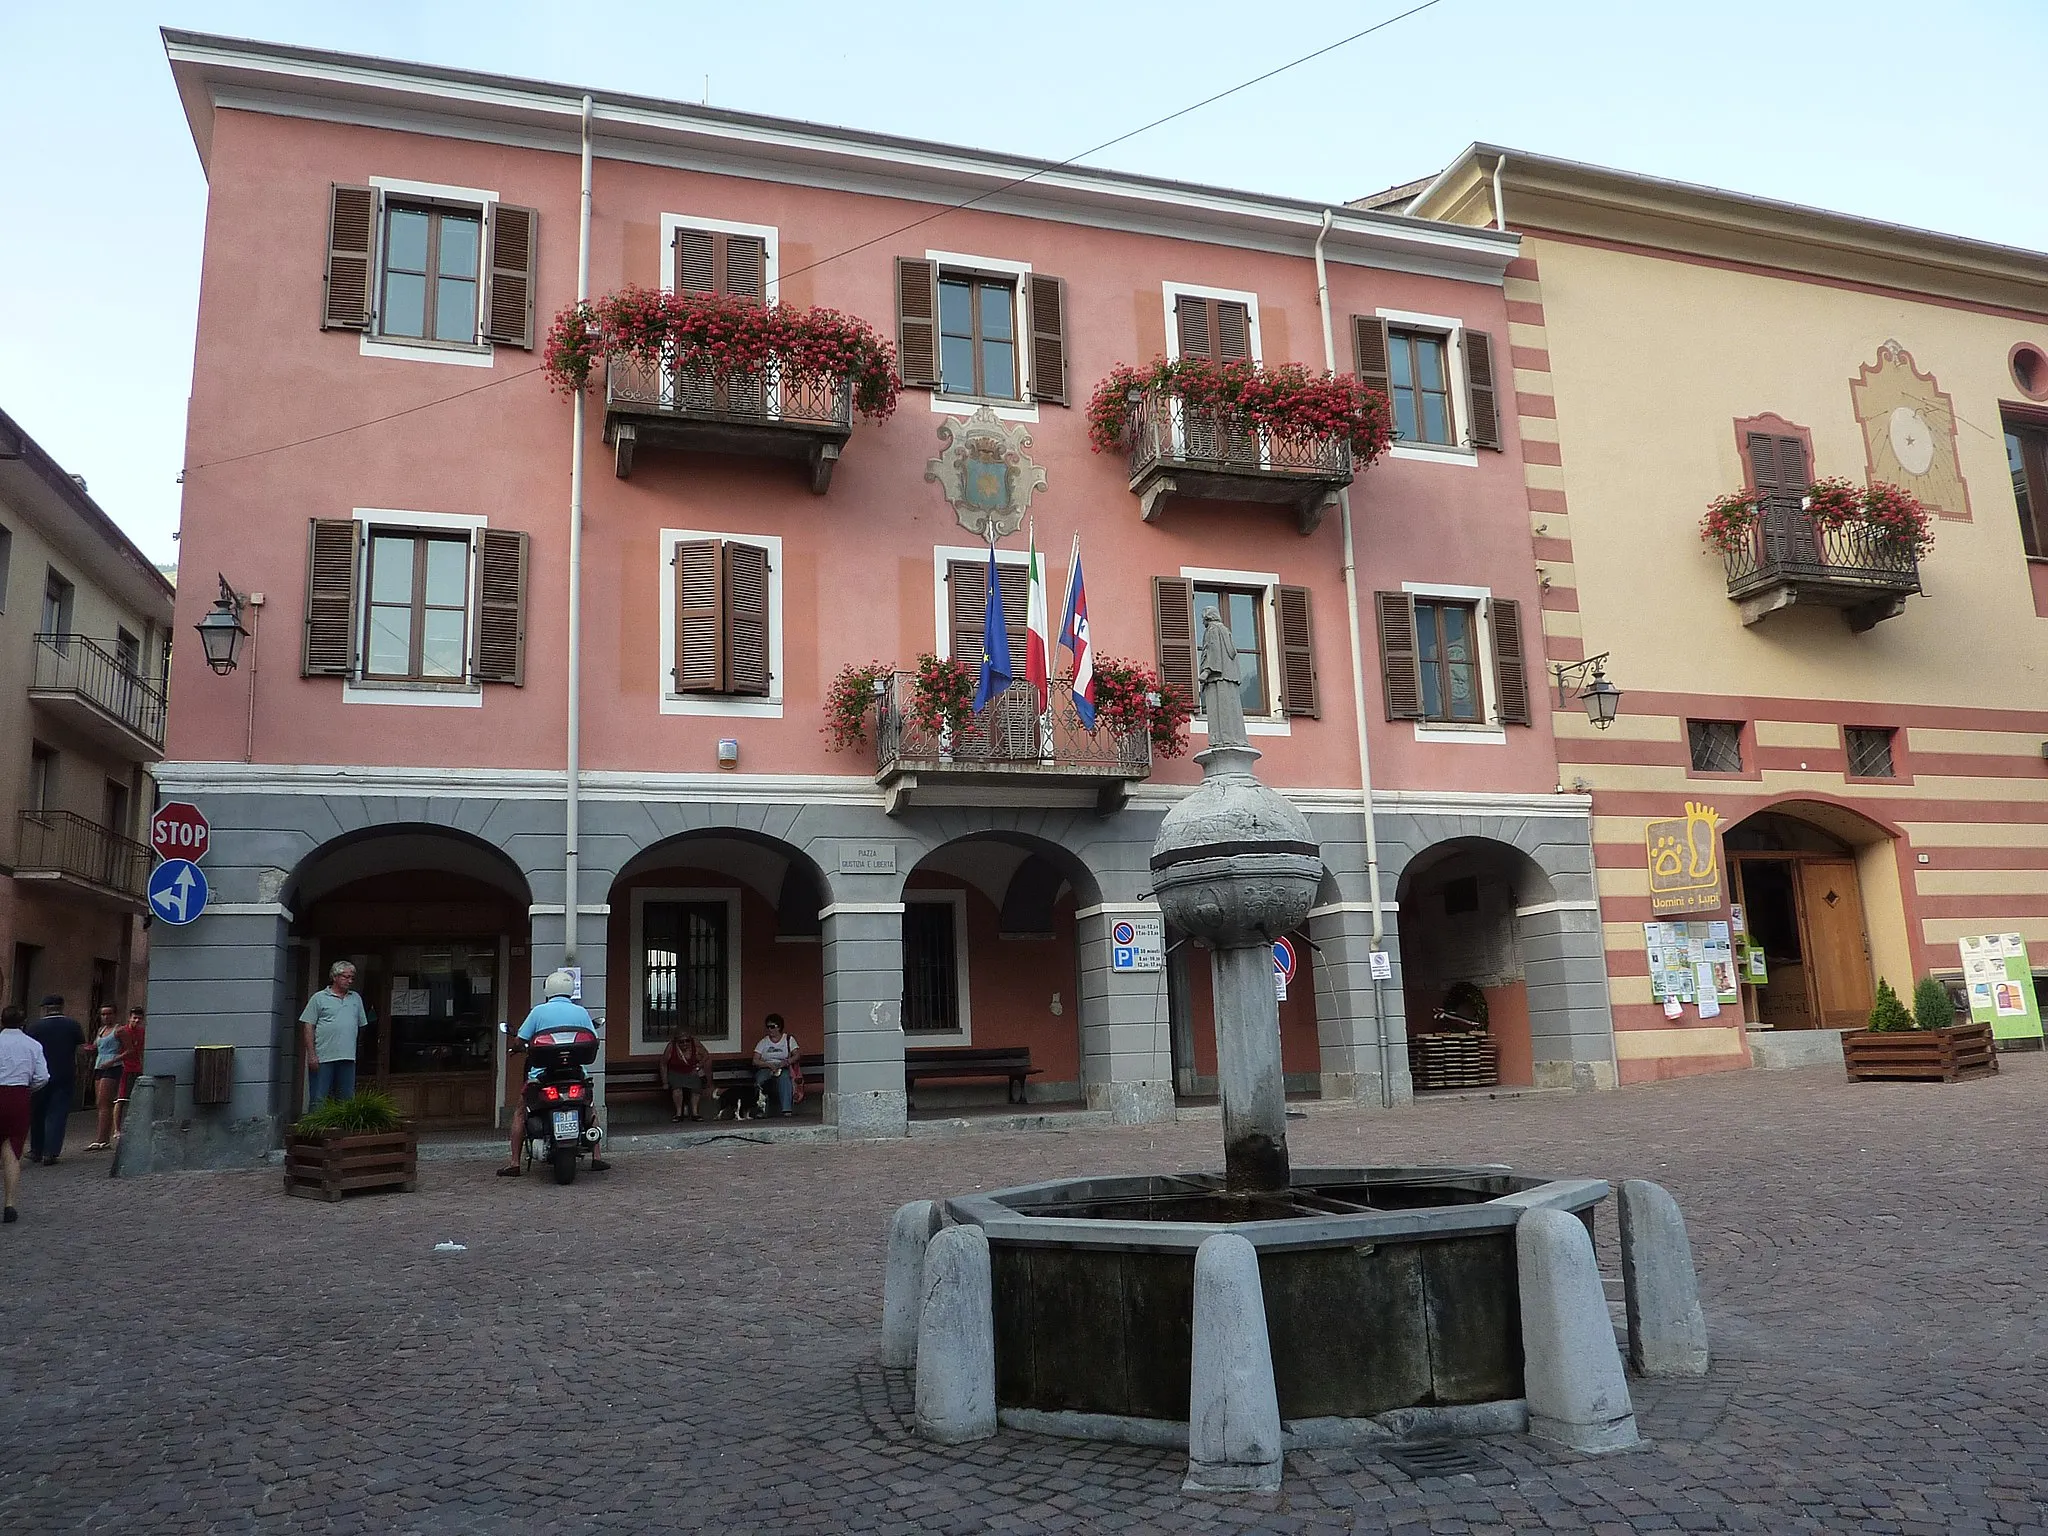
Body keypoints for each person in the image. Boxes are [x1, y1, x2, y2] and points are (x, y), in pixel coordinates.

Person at [499, 969, 610, 1177]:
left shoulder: (538, 1012)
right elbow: (593, 1039)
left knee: (521, 1110)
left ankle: (514, 1162)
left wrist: (517, 1047)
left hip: (542, 1075)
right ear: (569, 990)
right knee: (590, 1107)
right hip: (576, 1073)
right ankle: (597, 1157)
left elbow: (520, 1040)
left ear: (548, 990)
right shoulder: (581, 1012)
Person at [0, 1006, 50, 1224]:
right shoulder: (33, 1045)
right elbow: (43, 1077)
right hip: (19, 1094)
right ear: (24, 1022)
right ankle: (10, 1203)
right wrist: (28, 1089)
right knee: (12, 1149)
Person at [299, 962, 367, 1109]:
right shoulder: (319, 998)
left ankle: (343, 1130)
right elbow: (308, 1026)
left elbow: (361, 1026)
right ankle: (317, 1129)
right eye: (346, 977)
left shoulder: (355, 998)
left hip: (347, 1056)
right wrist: (311, 1054)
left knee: (346, 1098)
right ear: (335, 977)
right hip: (323, 1056)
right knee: (319, 1097)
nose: (349, 981)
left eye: (352, 978)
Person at [26, 995, 84, 1166]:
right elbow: (80, 1051)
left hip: (40, 1075)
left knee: (38, 1113)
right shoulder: (73, 1025)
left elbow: (30, 1053)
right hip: (64, 1074)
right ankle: (50, 1152)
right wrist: (82, 1070)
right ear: (62, 1006)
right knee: (57, 1113)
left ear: (45, 1008)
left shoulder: (35, 1027)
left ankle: (36, 1150)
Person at [85, 1007, 123, 1151]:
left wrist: (114, 1060)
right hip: (99, 1066)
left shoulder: (119, 1030)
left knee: (105, 1102)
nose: (106, 1017)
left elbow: (129, 1050)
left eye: (109, 1014)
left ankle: (103, 1139)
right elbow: (96, 1046)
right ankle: (101, 1137)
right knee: (99, 1103)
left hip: (112, 1067)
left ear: (115, 1015)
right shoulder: (101, 1030)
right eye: (103, 1014)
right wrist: (88, 1048)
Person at [750, 1014, 802, 1117]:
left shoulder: (788, 1039)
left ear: (779, 1027)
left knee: (785, 1078)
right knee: (760, 1080)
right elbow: (755, 1060)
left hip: (782, 1066)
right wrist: (767, 1065)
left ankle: (786, 1110)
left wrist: (787, 1062)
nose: (770, 1029)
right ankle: (761, 1109)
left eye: (772, 1026)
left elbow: (797, 1055)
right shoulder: (763, 1042)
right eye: (768, 1027)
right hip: (766, 1067)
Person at [661, 1031, 712, 1121]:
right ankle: (679, 1113)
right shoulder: (671, 1047)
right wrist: (665, 1081)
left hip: (691, 1071)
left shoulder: (695, 1044)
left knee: (696, 1087)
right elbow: (663, 1064)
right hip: (676, 1071)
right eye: (681, 1041)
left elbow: (706, 1055)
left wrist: (699, 1066)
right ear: (677, 1041)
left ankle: (695, 1113)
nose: (685, 1043)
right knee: (677, 1088)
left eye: (687, 1041)